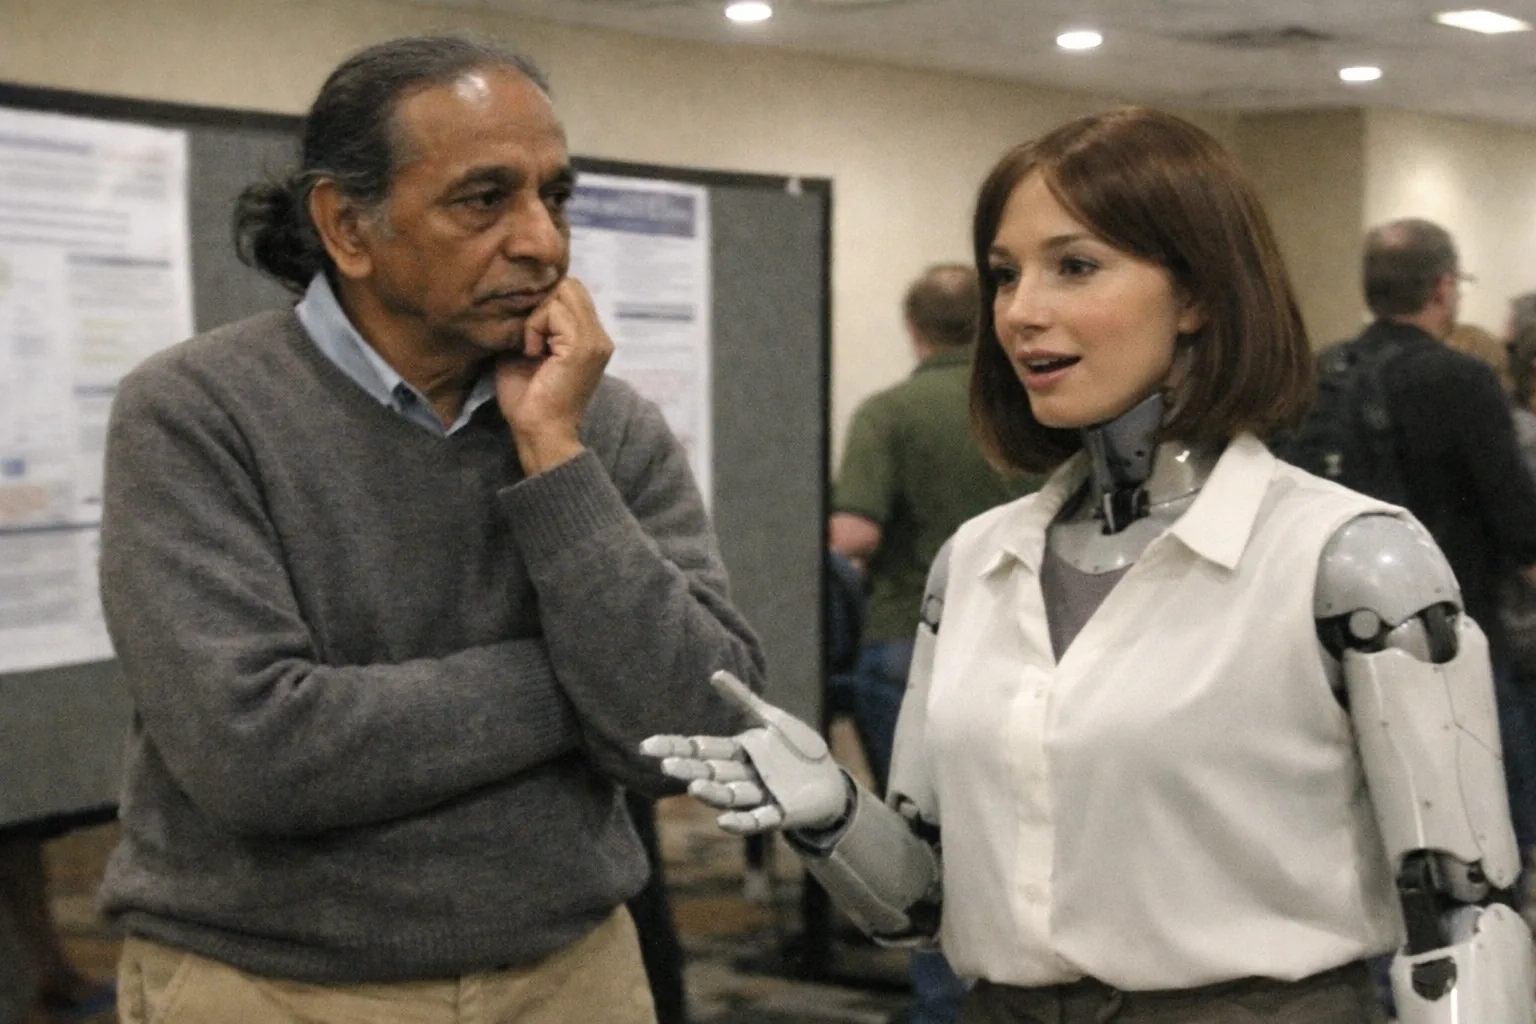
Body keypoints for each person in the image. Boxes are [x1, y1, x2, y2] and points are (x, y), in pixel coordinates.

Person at [644, 107, 1536, 1023]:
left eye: (1074, 266)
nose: (1020, 312)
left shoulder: (1348, 561)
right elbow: (927, 904)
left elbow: (1465, 917)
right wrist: (833, 812)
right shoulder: (976, 563)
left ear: (1196, 294)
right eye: (1005, 274)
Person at [96, 35, 764, 1024]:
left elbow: (703, 728)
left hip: (572, 972)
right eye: (484, 200)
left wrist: (555, 457)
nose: (542, 243)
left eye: (555, 196)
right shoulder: (198, 411)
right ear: (346, 226)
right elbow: (259, 757)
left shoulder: (601, 422)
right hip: (275, 984)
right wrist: (583, 681)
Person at [830, 263, 1032, 1023]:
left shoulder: (890, 413)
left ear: (913, 328)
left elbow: (855, 531)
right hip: (1027, 644)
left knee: (920, 853)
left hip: (908, 643)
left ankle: (945, 1007)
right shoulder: (1028, 410)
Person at [1345, 220, 1536, 860]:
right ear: (1444, 288)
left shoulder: (1327, 375)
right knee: (1489, 831)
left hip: (1346, 640)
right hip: (1457, 635)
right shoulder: (1463, 380)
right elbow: (1518, 523)